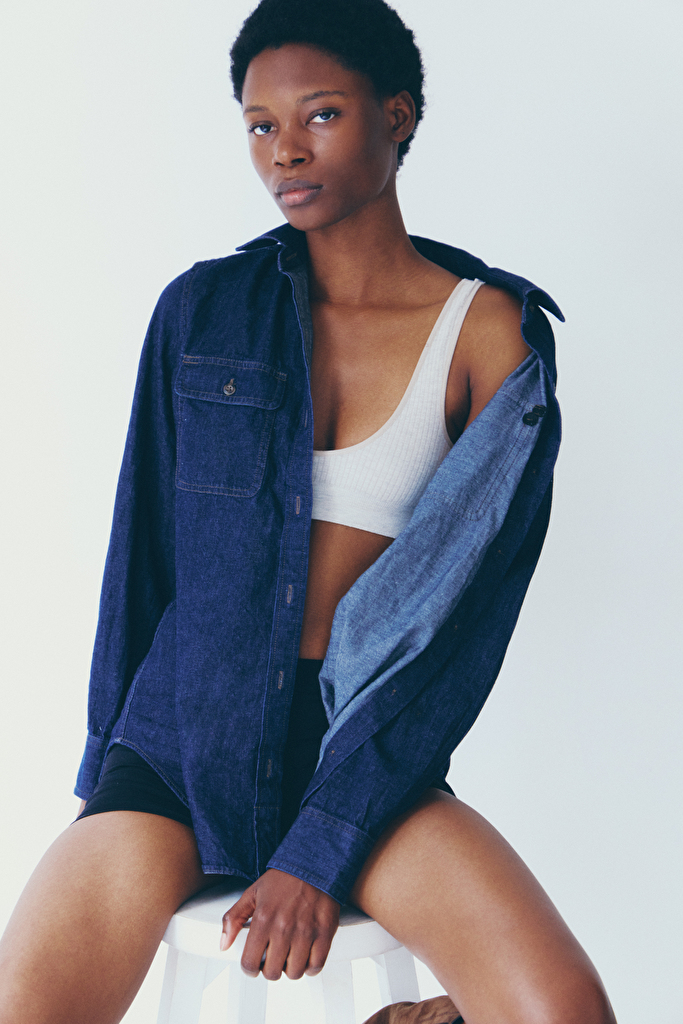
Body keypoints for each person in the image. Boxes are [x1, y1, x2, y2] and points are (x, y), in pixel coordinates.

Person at [0, 2, 617, 1022]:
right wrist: (98, 788)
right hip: (178, 745)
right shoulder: (201, 309)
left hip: (362, 752)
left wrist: (323, 843)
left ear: (396, 115)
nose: (284, 150)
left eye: (320, 114)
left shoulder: (487, 334)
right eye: (259, 124)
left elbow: (463, 629)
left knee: (565, 1011)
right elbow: (140, 564)